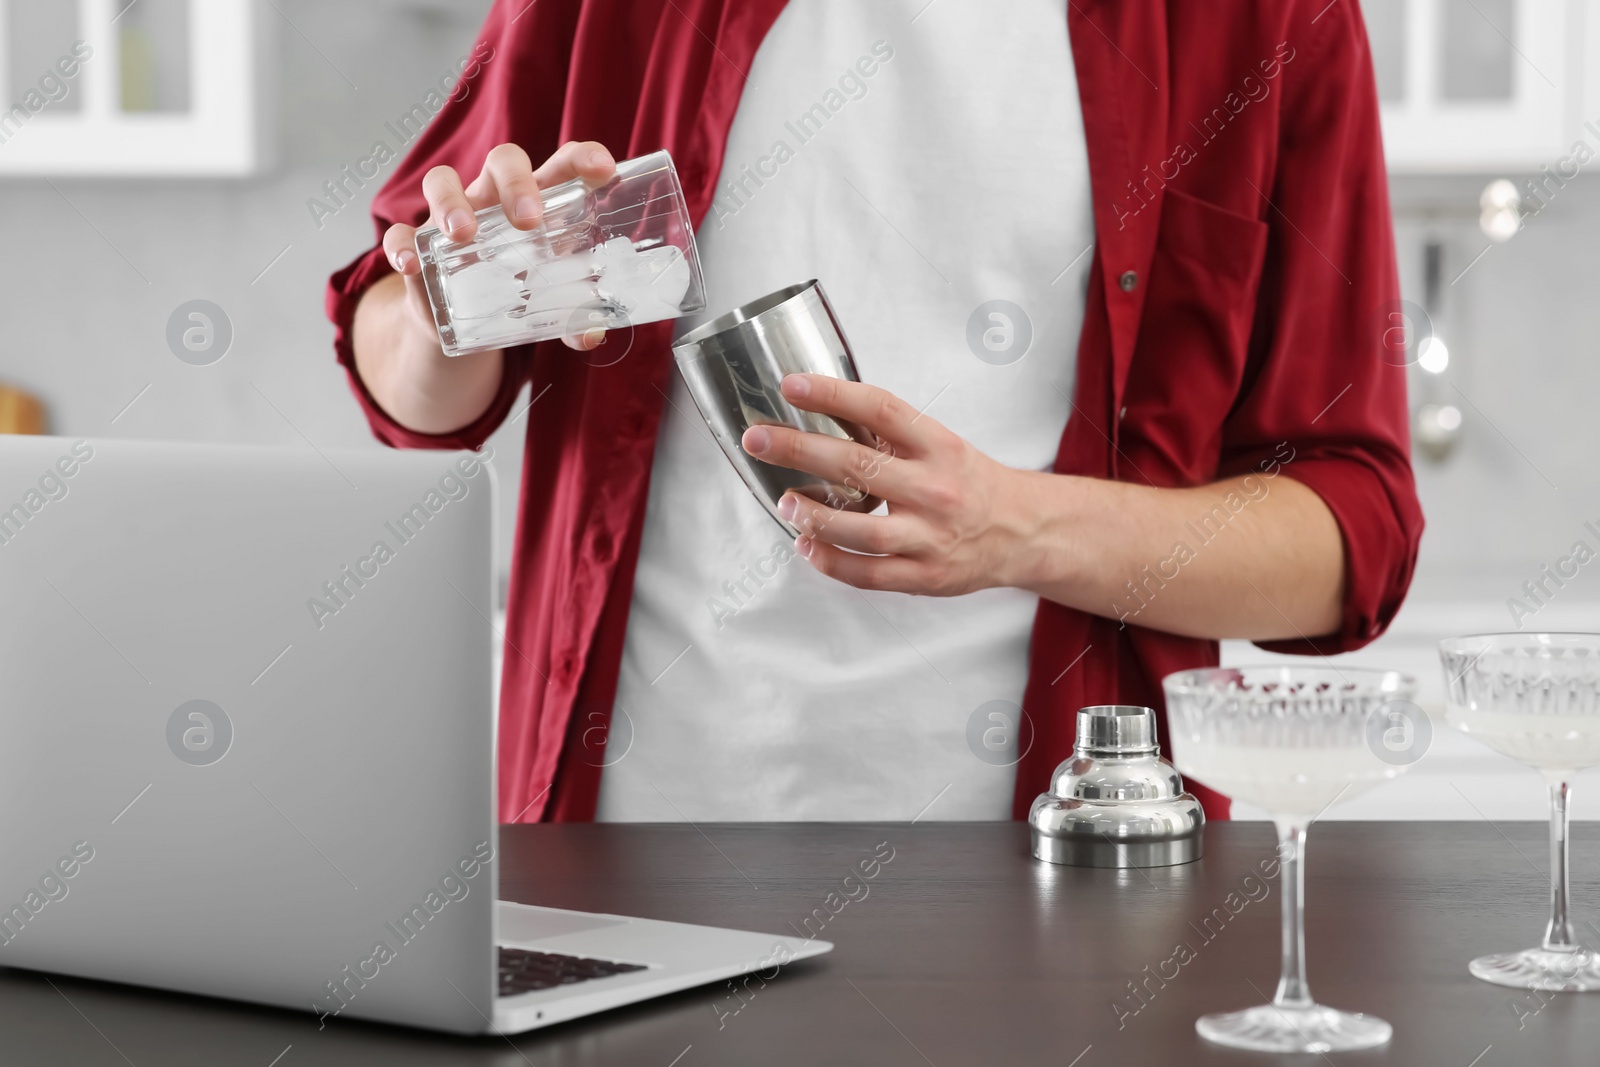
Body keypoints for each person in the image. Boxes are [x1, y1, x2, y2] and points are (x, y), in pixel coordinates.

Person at [328, 0, 1423, 824]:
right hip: (624, 849)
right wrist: (453, 302)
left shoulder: (1267, 22)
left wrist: (1016, 526)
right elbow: (404, 372)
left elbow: (1350, 543)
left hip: (1060, 885)